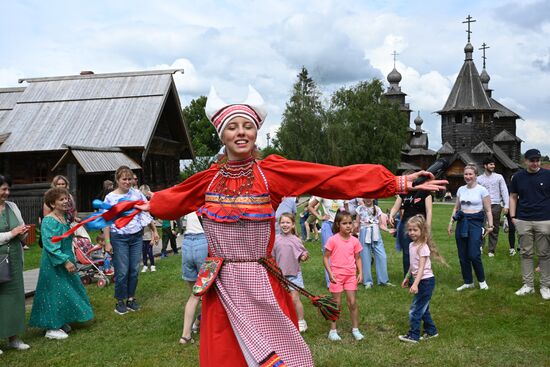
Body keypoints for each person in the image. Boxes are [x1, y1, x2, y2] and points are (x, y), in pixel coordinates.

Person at [132, 86, 446, 366]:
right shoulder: (209, 179)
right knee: (226, 353)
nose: (241, 133)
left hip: (260, 279)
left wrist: (394, 182)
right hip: (223, 282)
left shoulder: (272, 173)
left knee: (277, 350)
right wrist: (144, 204)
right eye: (232, 127)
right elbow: (174, 198)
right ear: (221, 135)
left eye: (248, 126)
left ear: (256, 133)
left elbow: (329, 178)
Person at [29, 187, 94, 339]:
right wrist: (64, 261)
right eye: (62, 199)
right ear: (52, 204)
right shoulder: (48, 220)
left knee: (65, 291)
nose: (66, 201)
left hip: (67, 257)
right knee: (53, 293)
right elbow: (50, 245)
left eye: (67, 198)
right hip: (54, 262)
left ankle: (60, 320)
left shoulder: (64, 217)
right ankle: (51, 328)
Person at [103, 166, 154, 315]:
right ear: (117, 180)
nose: (127, 182)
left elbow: (147, 209)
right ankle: (120, 300)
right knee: (122, 271)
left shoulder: (137, 194)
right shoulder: (110, 198)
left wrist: (152, 230)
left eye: (129, 179)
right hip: (119, 238)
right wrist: (107, 241)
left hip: (136, 236)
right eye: (124, 179)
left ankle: (131, 298)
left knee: (134, 270)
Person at [509, 149, 550, 300]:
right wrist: (513, 217)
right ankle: (528, 285)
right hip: (523, 219)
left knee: (545, 254)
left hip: (544, 220)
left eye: (537, 160)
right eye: (532, 160)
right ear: (525, 161)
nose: (535, 163)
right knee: (526, 253)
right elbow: (513, 196)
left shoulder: (548, 175)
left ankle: (545, 286)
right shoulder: (518, 177)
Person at [398, 214, 446, 343]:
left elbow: (421, 268)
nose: (412, 233)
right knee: (423, 309)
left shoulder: (423, 247)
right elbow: (412, 265)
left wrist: (415, 284)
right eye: (410, 230)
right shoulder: (411, 245)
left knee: (415, 310)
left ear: (422, 231)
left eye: (415, 230)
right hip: (419, 280)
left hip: (425, 281)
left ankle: (413, 335)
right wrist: (407, 277)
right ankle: (432, 331)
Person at [448, 164, 493, 292]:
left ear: (476, 175)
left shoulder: (482, 190)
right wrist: (451, 223)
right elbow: (456, 208)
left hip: (475, 224)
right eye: (466, 174)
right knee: (463, 255)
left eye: (470, 174)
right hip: (462, 223)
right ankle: (468, 282)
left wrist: (490, 225)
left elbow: (488, 210)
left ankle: (482, 281)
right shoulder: (461, 190)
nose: (468, 177)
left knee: (474, 254)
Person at [0, 175, 31, 353]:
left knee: (15, 298)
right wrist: (11, 234)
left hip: (14, 260)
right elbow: (11, 233)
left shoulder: (13, 206)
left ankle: (14, 338)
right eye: (3, 189)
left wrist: (22, 233)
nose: (7, 193)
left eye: (8, 189)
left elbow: (21, 228)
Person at [323, 211, 364, 341]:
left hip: (351, 276)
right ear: (337, 224)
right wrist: (330, 273)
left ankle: (355, 329)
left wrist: (361, 272)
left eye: (350, 223)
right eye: (344, 223)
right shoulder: (332, 240)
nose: (348, 226)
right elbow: (325, 257)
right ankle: (333, 330)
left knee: (352, 302)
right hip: (336, 277)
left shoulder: (355, 240)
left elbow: (358, 258)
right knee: (336, 304)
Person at [272, 213, 309, 333]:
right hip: (279, 275)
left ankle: (301, 321)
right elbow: (272, 255)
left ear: (293, 225)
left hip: (294, 274)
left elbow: (304, 253)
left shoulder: (296, 240)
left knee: (295, 299)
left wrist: (304, 256)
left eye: (288, 222)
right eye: (282, 222)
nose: (285, 225)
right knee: (281, 299)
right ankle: (285, 321)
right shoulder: (276, 239)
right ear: (279, 224)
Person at [389, 177, 433, 276]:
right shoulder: (404, 193)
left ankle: (422, 274)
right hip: (406, 226)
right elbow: (396, 207)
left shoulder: (425, 192)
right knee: (407, 252)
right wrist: (391, 215)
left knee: (420, 250)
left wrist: (427, 227)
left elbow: (429, 211)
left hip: (420, 226)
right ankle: (408, 277)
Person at [180, 211, 208, 345]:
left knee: (194, 295)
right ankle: (199, 322)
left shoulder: (189, 207)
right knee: (208, 295)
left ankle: (185, 335)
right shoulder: (207, 204)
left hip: (186, 244)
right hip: (202, 242)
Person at [355, 198, 393, 288]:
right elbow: (357, 223)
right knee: (365, 257)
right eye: (366, 197)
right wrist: (352, 230)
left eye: (370, 197)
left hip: (376, 233)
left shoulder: (377, 208)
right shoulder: (360, 209)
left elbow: (380, 225)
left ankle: (383, 280)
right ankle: (367, 282)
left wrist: (388, 230)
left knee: (382, 256)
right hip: (365, 233)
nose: (368, 199)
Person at [477, 156, 509, 257]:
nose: (493, 166)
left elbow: (504, 191)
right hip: (482, 206)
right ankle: (480, 247)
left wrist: (506, 205)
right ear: (485, 166)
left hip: (495, 204)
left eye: (493, 164)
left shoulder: (499, 177)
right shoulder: (479, 179)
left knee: (494, 228)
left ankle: (491, 250)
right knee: (481, 227)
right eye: (491, 164)